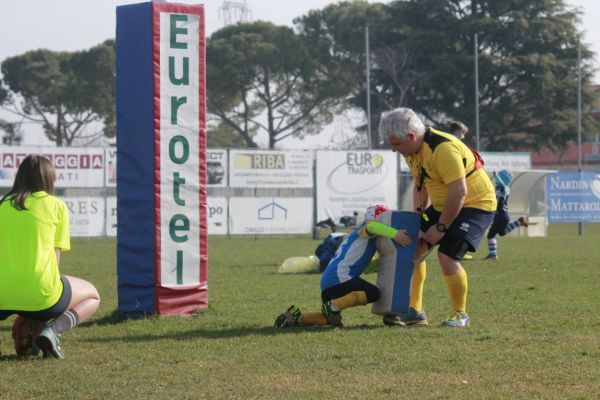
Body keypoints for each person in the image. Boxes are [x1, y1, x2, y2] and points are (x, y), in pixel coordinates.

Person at [379, 108, 496, 327]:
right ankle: (414, 311)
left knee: (447, 257)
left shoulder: (443, 148)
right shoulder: (412, 151)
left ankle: (460, 314)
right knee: (411, 249)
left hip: (475, 205)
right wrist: (418, 220)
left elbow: (459, 192)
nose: (394, 150)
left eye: (396, 144)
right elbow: (421, 185)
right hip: (445, 204)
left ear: (411, 136)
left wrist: (440, 228)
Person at [0, 155, 100, 359]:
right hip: (42, 296)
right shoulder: (56, 206)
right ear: (49, 179)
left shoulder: (2, 205)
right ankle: (53, 330)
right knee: (92, 295)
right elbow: (55, 260)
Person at [274, 204, 412, 328]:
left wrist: (384, 261)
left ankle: (295, 317)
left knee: (328, 319)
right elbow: (372, 226)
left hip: (329, 281)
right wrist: (395, 234)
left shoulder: (361, 238)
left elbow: (366, 268)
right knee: (373, 293)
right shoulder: (367, 228)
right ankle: (333, 306)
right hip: (339, 277)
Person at [484, 169, 529, 260]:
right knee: (502, 232)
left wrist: (496, 176)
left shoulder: (505, 188)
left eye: (500, 176)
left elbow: (502, 185)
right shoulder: (497, 188)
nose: (497, 179)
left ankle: (493, 255)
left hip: (501, 216)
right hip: (500, 216)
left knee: (491, 235)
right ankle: (518, 222)